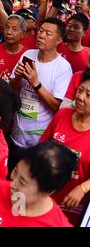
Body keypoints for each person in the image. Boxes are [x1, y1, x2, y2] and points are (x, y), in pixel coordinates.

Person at [10, 18, 73, 169]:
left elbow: (57, 107)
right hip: (15, 136)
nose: (41, 35)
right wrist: (18, 78)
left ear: (58, 40)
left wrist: (35, 83)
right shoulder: (28, 54)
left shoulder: (63, 68)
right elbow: (12, 91)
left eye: (48, 33)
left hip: (40, 143)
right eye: (41, 31)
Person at [40, 71, 90, 225]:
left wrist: (82, 188)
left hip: (75, 206)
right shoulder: (62, 115)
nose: (80, 97)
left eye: (89, 94)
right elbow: (41, 149)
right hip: (45, 197)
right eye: (80, 90)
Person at [0, 15, 28, 82]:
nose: (9, 32)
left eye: (14, 29)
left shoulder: (27, 55)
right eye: (7, 28)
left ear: (23, 34)